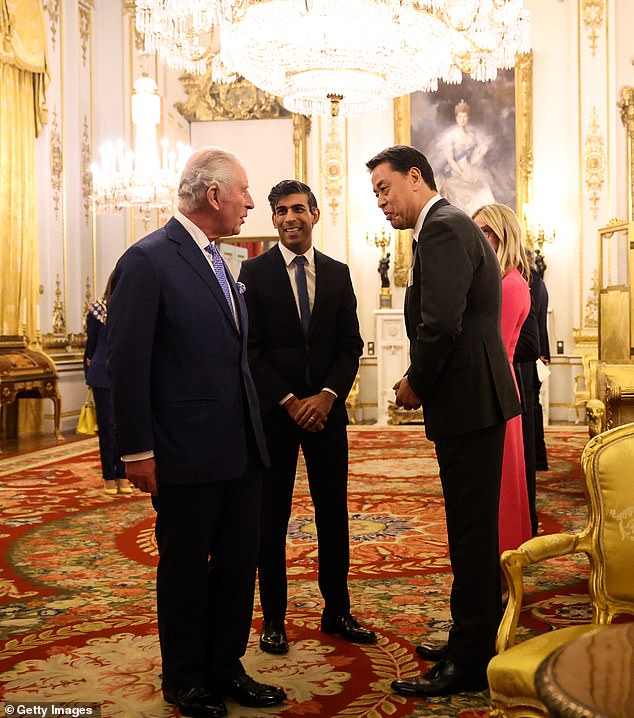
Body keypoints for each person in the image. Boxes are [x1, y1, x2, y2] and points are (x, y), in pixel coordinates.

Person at [107, 147, 286, 718]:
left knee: (239, 562)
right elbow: (126, 365)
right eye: (245, 192)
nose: (252, 203)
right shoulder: (148, 260)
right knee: (185, 567)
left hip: (239, 448)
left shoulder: (218, 259)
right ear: (215, 196)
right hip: (183, 451)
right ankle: (185, 678)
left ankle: (226, 666)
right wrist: (135, 451)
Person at [366, 145, 520, 697]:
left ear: (415, 177)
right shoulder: (448, 225)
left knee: (471, 532)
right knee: (470, 528)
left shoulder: (443, 228)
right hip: (472, 402)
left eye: (384, 189)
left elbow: (440, 325)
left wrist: (414, 383)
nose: (381, 203)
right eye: (375, 195)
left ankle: (472, 657)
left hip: (468, 401)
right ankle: (471, 634)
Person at [237, 179, 375, 656]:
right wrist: (292, 400)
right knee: (269, 518)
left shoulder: (338, 274)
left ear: (315, 214)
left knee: (332, 515)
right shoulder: (252, 274)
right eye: (280, 211)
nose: (289, 218)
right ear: (273, 219)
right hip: (276, 416)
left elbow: (350, 346)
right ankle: (273, 617)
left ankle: (337, 610)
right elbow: (250, 350)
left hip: (327, 415)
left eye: (298, 209)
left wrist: (327, 397)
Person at [472, 204, 532, 553]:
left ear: (502, 233)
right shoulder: (502, 279)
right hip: (497, 378)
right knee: (498, 476)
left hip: (497, 380)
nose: (479, 238)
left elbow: (492, 343)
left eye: (485, 231)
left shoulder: (509, 284)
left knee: (504, 477)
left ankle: (506, 556)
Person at [83, 273, 131, 496]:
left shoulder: (131, 308)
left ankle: (122, 475)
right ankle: (108, 476)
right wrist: (89, 376)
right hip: (102, 375)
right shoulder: (97, 310)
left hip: (126, 376)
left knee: (124, 428)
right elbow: (90, 348)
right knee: (107, 429)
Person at [436, 100, 495, 216]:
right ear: (456, 118)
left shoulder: (471, 136)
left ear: (468, 118)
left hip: (471, 171)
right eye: (460, 116)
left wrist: (481, 153)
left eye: (465, 116)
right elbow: (450, 159)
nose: (462, 119)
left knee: (484, 190)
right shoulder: (451, 136)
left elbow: (472, 161)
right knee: (458, 194)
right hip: (456, 172)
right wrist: (461, 174)